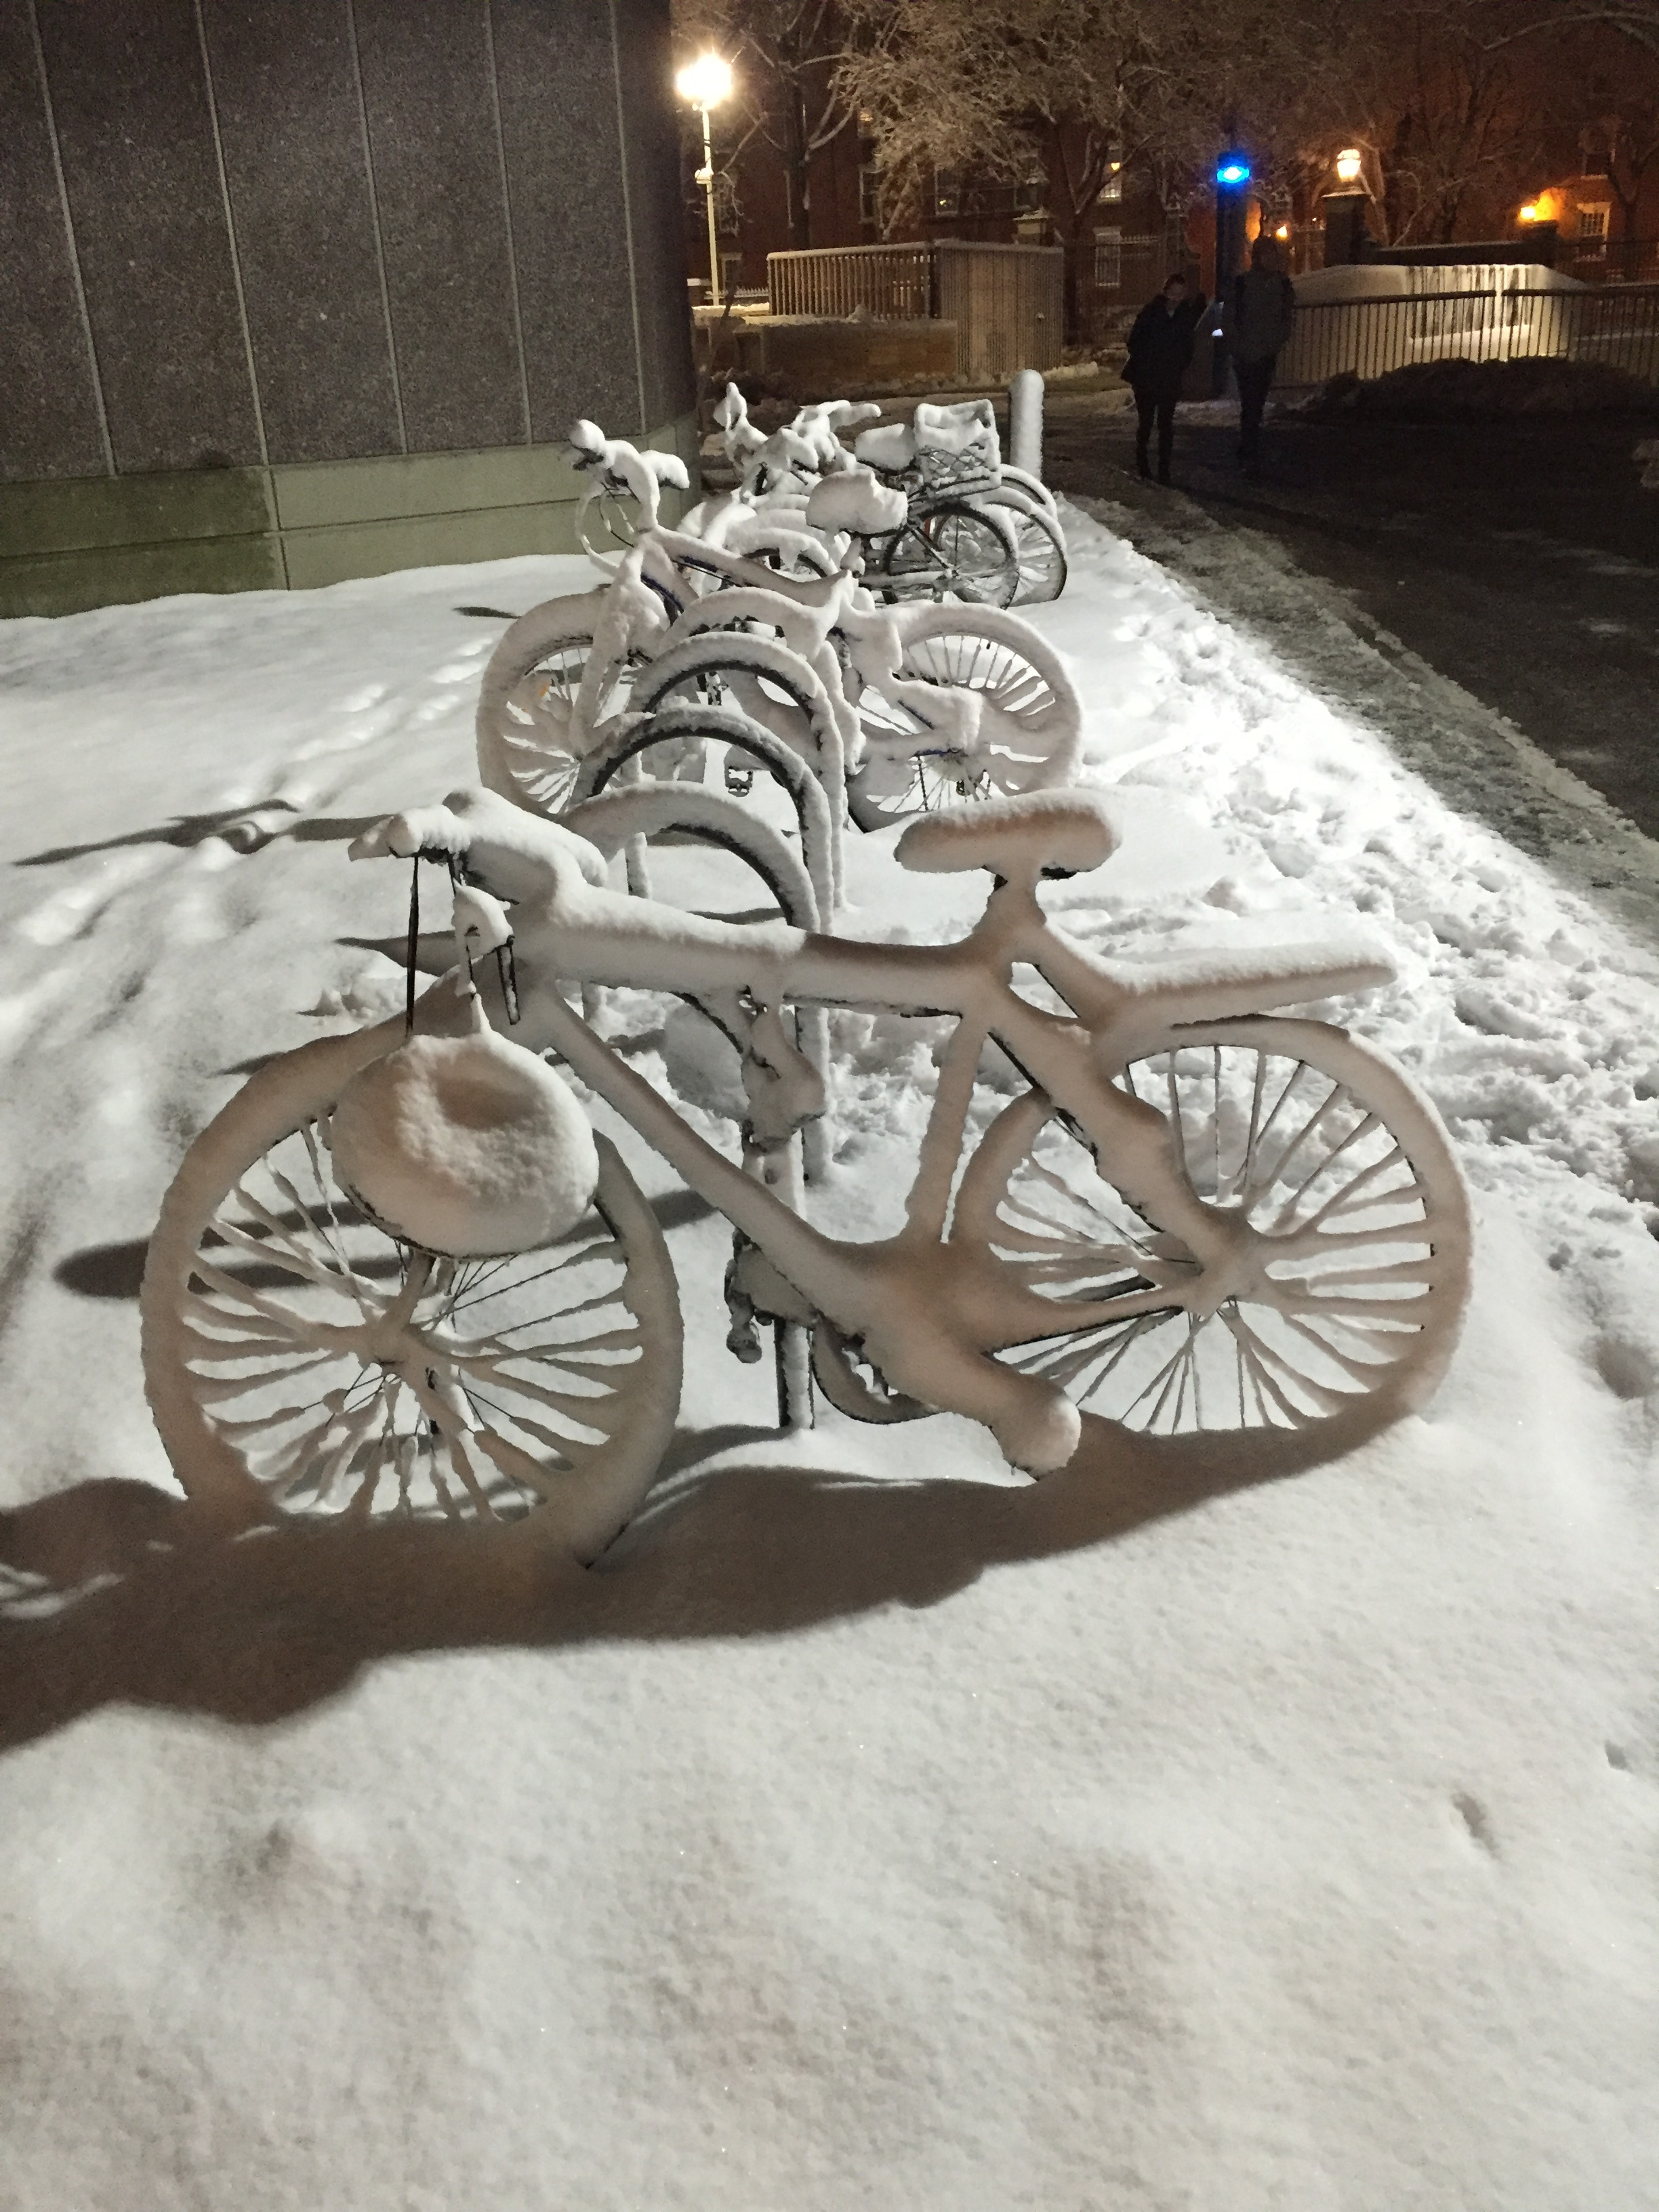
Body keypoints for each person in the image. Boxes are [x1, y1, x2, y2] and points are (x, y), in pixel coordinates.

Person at [1122, 271, 1208, 485]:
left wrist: (1179, 365)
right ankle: (1143, 464)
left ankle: (1164, 469)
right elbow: (1134, 342)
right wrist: (1151, 358)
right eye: (1173, 293)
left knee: (1166, 424)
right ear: (1166, 292)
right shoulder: (1151, 313)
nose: (1176, 298)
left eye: (1181, 293)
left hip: (1169, 377)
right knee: (1146, 422)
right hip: (1147, 377)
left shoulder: (1185, 316)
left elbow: (1188, 346)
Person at [1221, 239, 1296, 476]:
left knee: (1256, 404)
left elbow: (1286, 321)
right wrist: (1240, 348)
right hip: (1246, 355)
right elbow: (1229, 320)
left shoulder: (1283, 285)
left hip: (1265, 355)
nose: (1272, 259)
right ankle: (1249, 451)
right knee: (1251, 405)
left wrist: (1272, 346)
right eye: (1268, 254)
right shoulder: (1242, 284)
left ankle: (1249, 448)